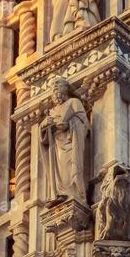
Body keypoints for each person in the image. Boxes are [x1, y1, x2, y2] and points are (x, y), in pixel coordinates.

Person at [38, 76, 89, 204]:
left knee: (70, 168)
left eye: (58, 85)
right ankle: (59, 194)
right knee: (58, 171)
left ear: (65, 89)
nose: (55, 88)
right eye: (53, 88)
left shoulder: (73, 102)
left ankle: (73, 193)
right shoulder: (52, 111)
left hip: (71, 141)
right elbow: (43, 137)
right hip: (57, 146)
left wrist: (70, 124)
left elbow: (84, 122)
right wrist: (44, 125)